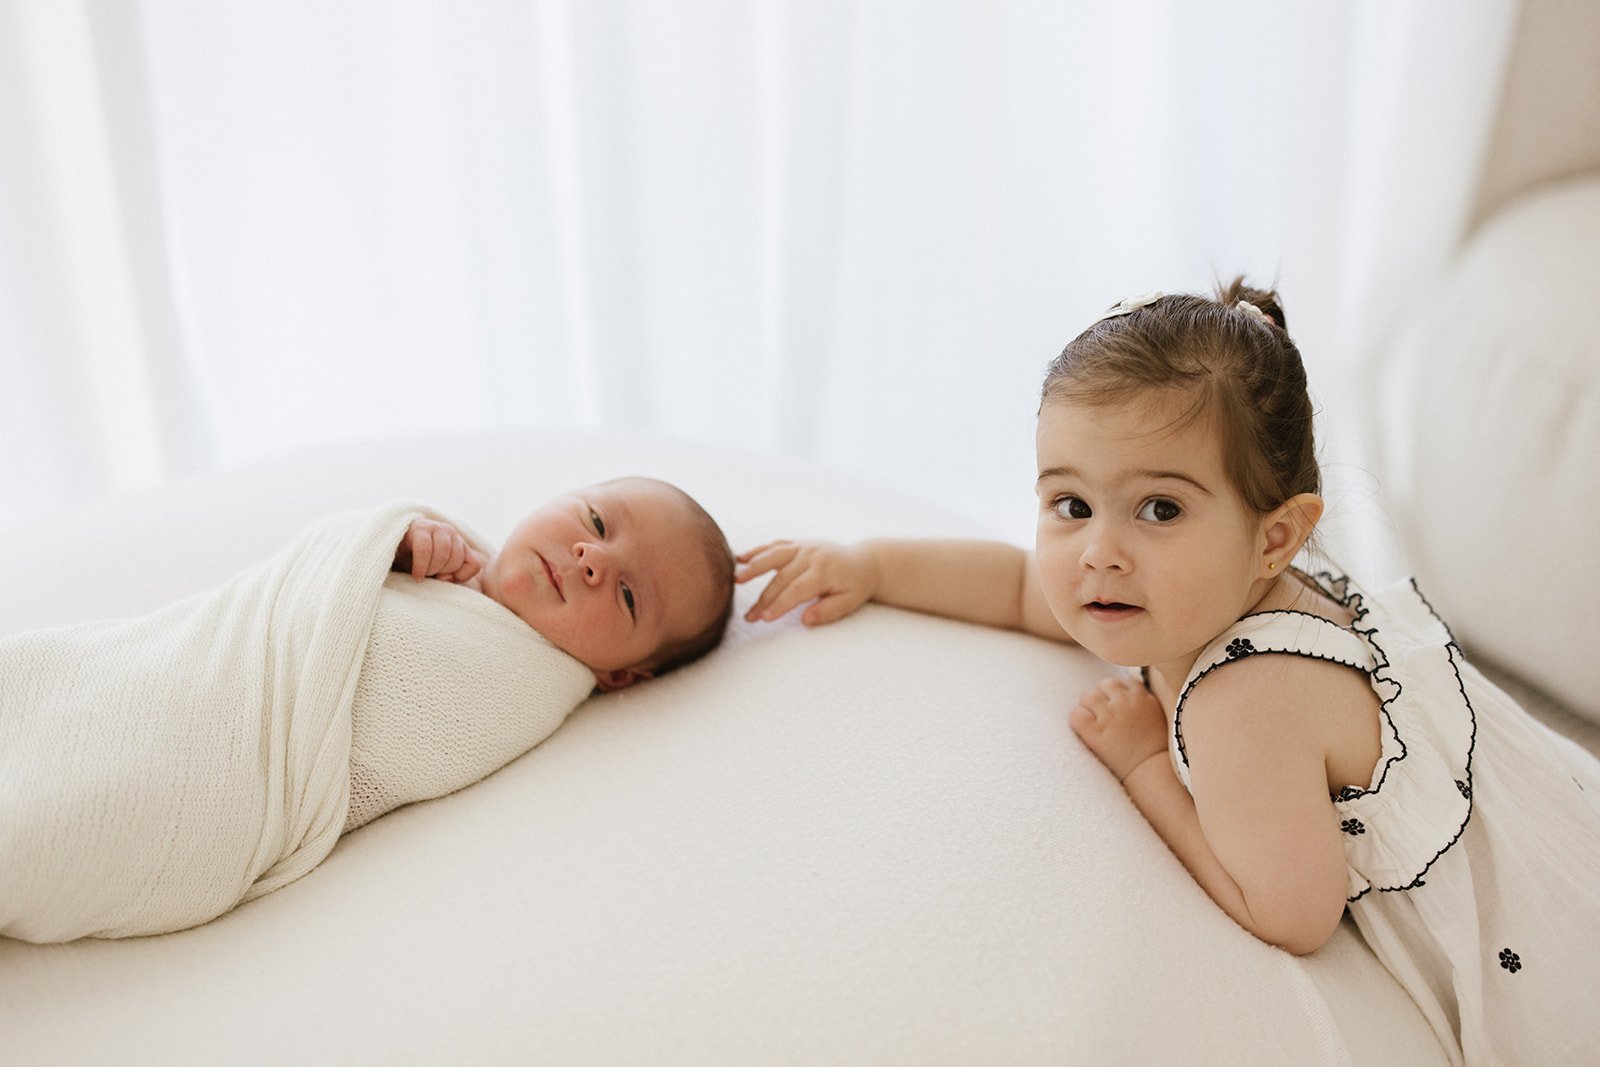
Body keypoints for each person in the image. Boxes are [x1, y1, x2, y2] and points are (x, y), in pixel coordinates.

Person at [735, 280, 1600, 1064]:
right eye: (1070, 504)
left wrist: (1148, 762)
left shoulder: (1244, 697)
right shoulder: (1196, 590)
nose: (1100, 553)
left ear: (1274, 536)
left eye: (1160, 508)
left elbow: (1291, 912)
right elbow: (1015, 586)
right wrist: (875, 565)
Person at [394, 475, 735, 691]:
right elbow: (346, 562)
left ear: (618, 675)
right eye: (597, 522)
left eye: (628, 596)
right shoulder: (435, 542)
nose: (593, 559)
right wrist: (397, 545)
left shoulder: (531, 695)